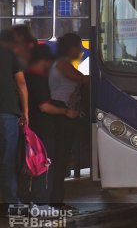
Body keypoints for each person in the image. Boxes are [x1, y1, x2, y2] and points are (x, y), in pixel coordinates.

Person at [24, 44, 79, 206]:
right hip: (43, 130)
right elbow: (44, 106)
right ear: (45, 60)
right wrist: (65, 112)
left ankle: (35, 200)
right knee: (44, 168)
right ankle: (42, 203)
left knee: (33, 167)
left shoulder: (26, 76)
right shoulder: (39, 79)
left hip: (33, 128)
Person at [49, 33, 88, 207]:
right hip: (61, 114)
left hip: (65, 113)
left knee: (62, 157)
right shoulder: (62, 64)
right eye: (78, 46)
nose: (80, 50)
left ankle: (57, 198)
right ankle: (56, 200)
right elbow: (83, 79)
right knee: (60, 157)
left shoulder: (63, 63)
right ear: (70, 48)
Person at [0, 30, 29, 214]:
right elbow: (21, 84)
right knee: (7, 159)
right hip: (7, 113)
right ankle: (10, 202)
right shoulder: (10, 55)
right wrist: (25, 111)